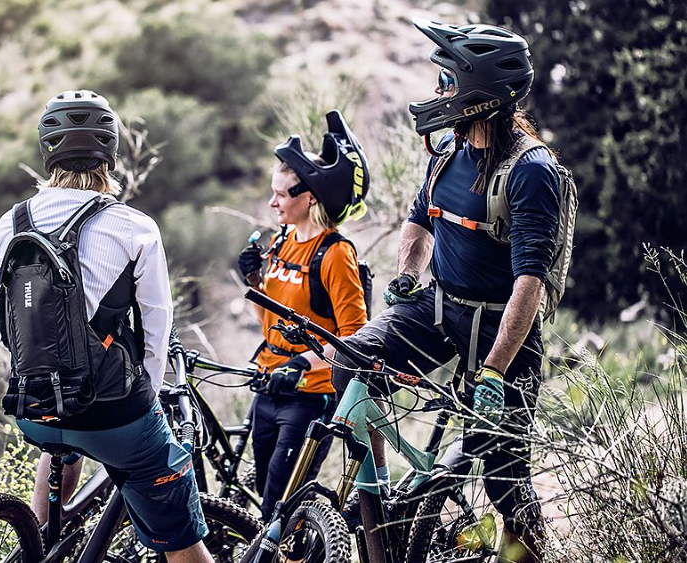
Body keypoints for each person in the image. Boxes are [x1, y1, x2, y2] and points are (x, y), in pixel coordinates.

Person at [332, 20, 558, 563]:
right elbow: (418, 221)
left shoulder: (531, 172)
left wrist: (496, 371)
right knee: (350, 361)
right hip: (438, 308)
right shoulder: (447, 150)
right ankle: (377, 503)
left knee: (506, 479)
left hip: (505, 329)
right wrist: (407, 275)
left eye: (447, 82)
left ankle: (526, 555)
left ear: (479, 93)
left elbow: (531, 281)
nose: (437, 94)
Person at [0, 90, 212, 563]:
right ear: (109, 151)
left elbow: (5, 328)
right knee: (179, 530)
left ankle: (38, 548)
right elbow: (156, 323)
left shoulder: (4, 229)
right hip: (115, 414)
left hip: (34, 405)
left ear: (47, 151)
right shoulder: (134, 227)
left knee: (61, 439)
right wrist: (144, 397)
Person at [237, 111, 371, 520]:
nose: (272, 201)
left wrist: (302, 362)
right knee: (265, 492)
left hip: (309, 394)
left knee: (279, 502)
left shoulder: (336, 254)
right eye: (272, 192)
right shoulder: (282, 240)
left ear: (309, 196)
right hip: (269, 383)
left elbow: (355, 336)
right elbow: (273, 315)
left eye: (281, 193)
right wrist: (254, 279)